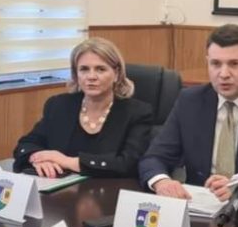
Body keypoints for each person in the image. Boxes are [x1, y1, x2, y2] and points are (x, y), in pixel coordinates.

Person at [138, 24, 238, 206]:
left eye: (234, 64)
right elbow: (154, 157)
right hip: (198, 206)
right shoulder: (189, 101)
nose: (223, 74)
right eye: (216, 64)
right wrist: (162, 182)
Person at [13, 37, 153, 178]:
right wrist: (38, 159)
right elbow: (26, 144)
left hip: (109, 188)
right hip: (58, 187)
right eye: (84, 69)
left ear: (116, 74)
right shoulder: (59, 105)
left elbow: (127, 164)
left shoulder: (137, 113)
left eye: (100, 69)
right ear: (76, 74)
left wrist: (66, 161)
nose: (91, 77)